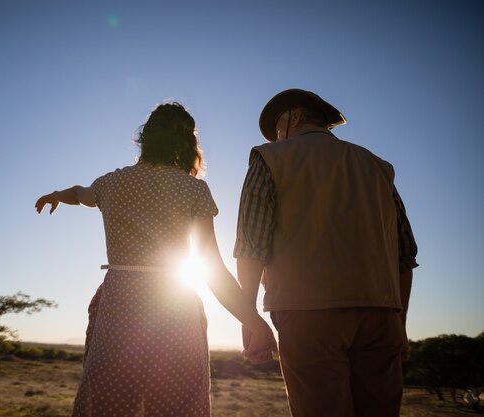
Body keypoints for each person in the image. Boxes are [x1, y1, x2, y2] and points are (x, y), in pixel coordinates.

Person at [36, 102, 276, 417]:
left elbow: (79, 193)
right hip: (176, 314)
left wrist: (55, 194)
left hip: (118, 309)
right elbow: (213, 271)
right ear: (189, 145)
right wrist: (253, 320)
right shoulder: (194, 190)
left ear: (145, 138)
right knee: (177, 405)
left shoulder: (112, 182)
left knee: (107, 402)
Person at [235, 89, 418, 417]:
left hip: (307, 315)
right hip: (382, 316)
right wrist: (400, 323)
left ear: (293, 118)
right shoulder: (378, 167)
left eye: (278, 129)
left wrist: (249, 318)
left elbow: (251, 245)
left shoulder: (269, 157)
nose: (277, 138)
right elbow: (405, 254)